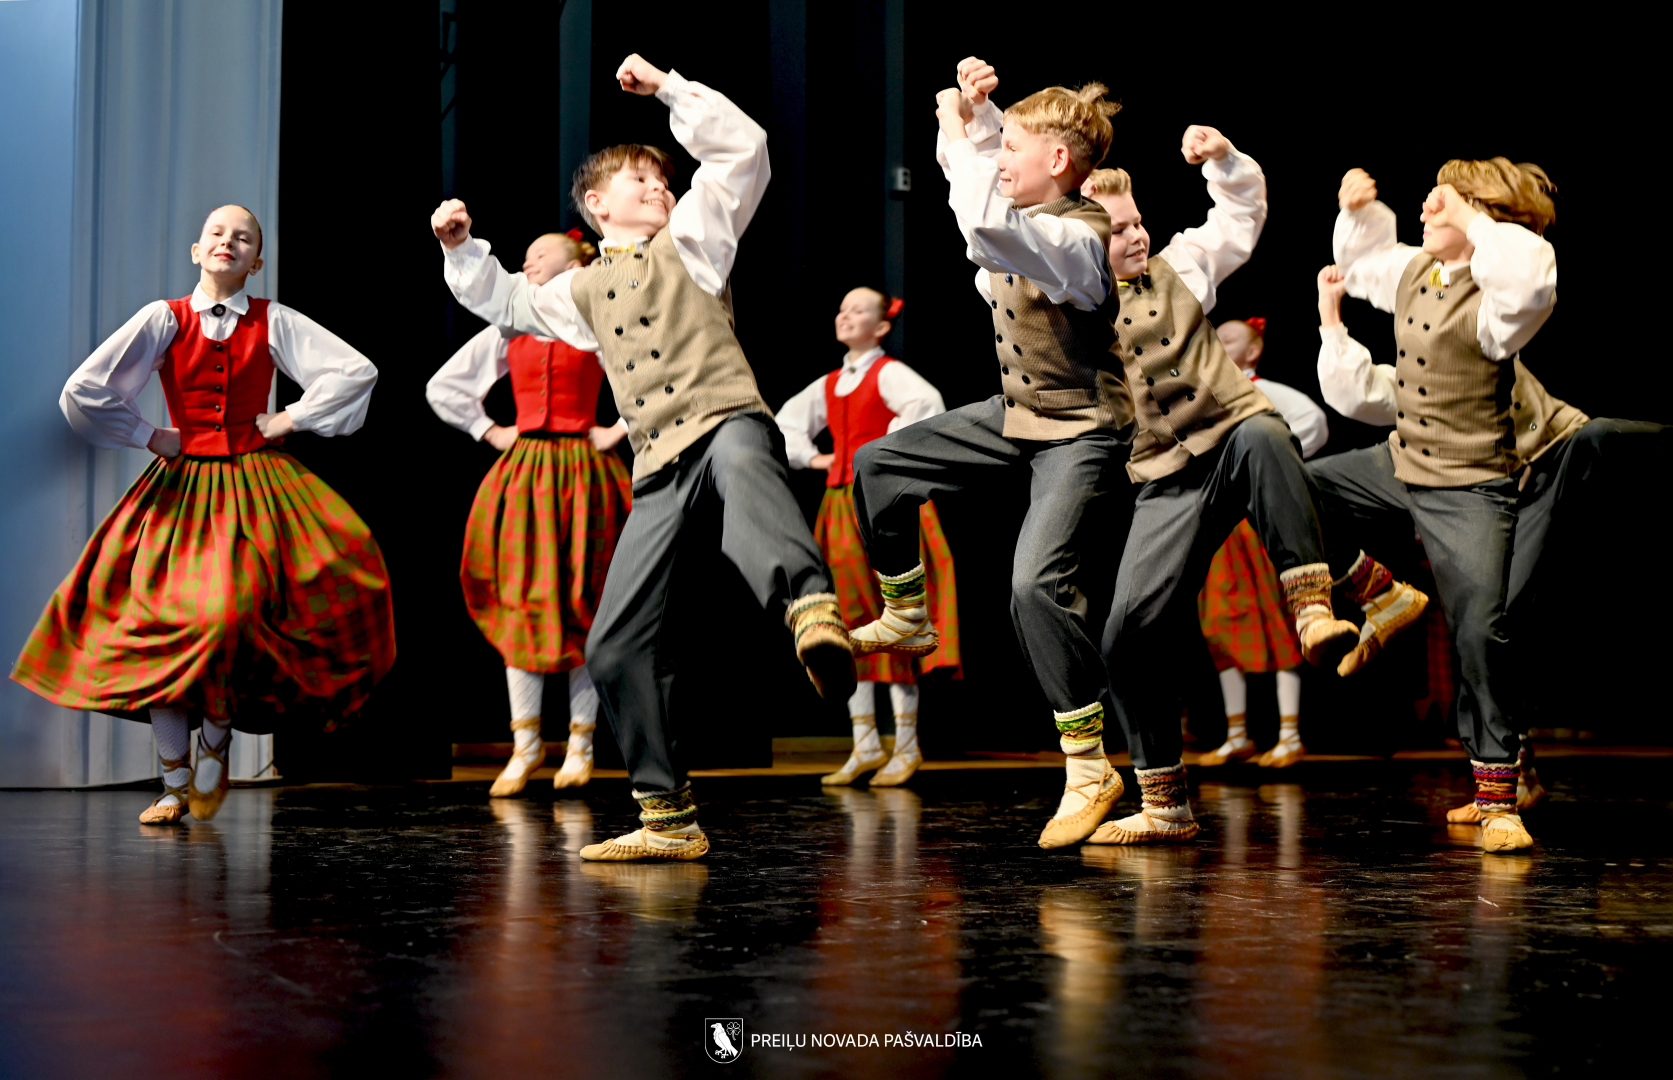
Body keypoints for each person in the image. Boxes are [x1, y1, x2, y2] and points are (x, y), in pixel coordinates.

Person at [433, 55, 855, 862]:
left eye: (665, 180)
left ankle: (810, 610)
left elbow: (742, 151)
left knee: (745, 469)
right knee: (612, 644)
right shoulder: (579, 291)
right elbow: (507, 301)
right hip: (658, 462)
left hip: (723, 418)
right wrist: (461, 248)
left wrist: (667, 88)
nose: (661, 189)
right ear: (596, 204)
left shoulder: (694, 239)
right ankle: (668, 817)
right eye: (642, 181)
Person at [11, 205, 392, 825]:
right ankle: (174, 782)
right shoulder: (164, 318)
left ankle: (216, 736)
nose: (227, 242)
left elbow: (356, 372)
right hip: (182, 489)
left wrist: (288, 418)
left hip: (254, 484)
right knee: (161, 622)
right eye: (217, 232)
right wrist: (149, 434)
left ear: (256, 261)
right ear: (197, 250)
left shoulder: (273, 320)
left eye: (242, 237)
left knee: (231, 616)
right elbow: (85, 389)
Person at [848, 56, 1133, 849]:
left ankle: (1088, 767)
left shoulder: (1076, 237)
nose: (998, 159)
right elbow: (981, 187)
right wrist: (978, 118)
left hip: (1080, 429)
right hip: (1017, 414)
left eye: (1013, 149)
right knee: (880, 464)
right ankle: (907, 612)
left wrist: (959, 126)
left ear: (1058, 161)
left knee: (1033, 587)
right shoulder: (1028, 218)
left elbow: (986, 225)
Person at [1315, 262, 1670, 824]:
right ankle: (1512, 770)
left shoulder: (1484, 325)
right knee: (1484, 623)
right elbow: (1357, 388)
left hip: (1544, 465)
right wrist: (1331, 315)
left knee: (1602, 443)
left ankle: (1511, 773)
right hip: (1483, 494)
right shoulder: (1410, 381)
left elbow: (1509, 279)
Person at [1079, 142, 1358, 848]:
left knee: (1263, 430)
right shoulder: (1069, 309)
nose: (1135, 235)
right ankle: (1163, 803)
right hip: (1162, 480)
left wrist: (1224, 160)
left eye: (1137, 221)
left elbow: (1238, 216)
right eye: (1116, 230)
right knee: (1124, 635)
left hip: (1229, 449)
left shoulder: (1181, 265)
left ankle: (1312, 609)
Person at [1307, 160, 1561, 852]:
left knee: (1479, 630)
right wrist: (1359, 212)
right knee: (1299, 485)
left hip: (1470, 482)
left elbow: (1531, 279)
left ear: (1482, 213)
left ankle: (1499, 798)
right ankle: (1379, 593)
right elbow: (1362, 264)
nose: (1424, 207)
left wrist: (1474, 214)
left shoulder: (1499, 297)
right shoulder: (1420, 271)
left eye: (1438, 200)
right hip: (1404, 461)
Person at [426, 229, 632, 797]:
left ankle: (582, 744)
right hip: (528, 470)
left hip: (585, 471)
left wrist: (617, 429)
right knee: (522, 600)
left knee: (584, 601)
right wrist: (490, 430)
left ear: (577, 259)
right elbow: (445, 387)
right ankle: (526, 744)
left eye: (541, 252)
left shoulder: (597, 317)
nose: (528, 260)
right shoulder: (510, 324)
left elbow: (650, 376)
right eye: (526, 256)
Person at [778, 287, 960, 787]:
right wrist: (818, 458)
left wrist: (882, 452)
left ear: (881, 326)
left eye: (858, 310)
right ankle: (864, 744)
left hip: (882, 505)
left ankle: (906, 745)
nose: (846, 316)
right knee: (849, 624)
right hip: (839, 508)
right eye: (842, 309)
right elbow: (786, 427)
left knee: (894, 618)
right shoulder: (830, 383)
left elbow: (928, 406)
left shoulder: (889, 374)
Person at [1195, 318, 1330, 769]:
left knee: (1277, 617)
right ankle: (1237, 734)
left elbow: (1313, 422)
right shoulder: (1204, 391)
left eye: (1230, 338)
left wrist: (1275, 466)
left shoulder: (1263, 391)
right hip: (1221, 526)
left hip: (1256, 521)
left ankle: (1290, 734)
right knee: (1219, 624)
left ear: (1253, 351)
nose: (1219, 342)